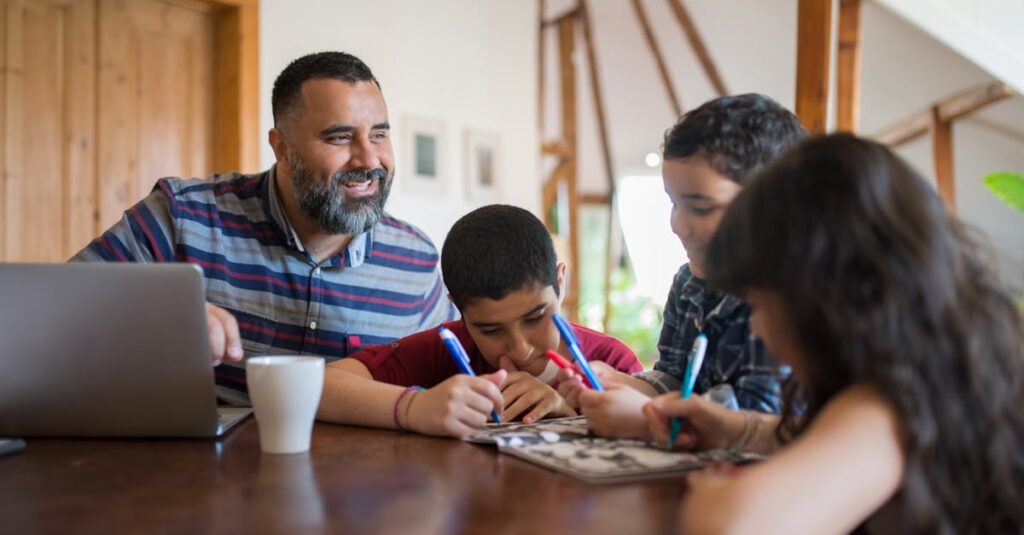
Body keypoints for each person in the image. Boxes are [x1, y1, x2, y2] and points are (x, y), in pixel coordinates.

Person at [644, 134, 1024, 533]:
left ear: (818, 300)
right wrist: (735, 429)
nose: (755, 325)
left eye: (759, 303)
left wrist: (710, 500)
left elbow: (730, 526)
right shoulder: (942, 376)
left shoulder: (886, 406)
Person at [71, 52, 456, 402]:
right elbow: (57, 309)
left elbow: (463, 365)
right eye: (340, 136)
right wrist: (155, 309)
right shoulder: (183, 216)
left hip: (355, 475)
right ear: (282, 147)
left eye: (379, 134)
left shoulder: (417, 263)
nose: (369, 158)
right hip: (197, 474)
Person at [560, 94, 806, 438]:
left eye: (701, 208)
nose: (677, 224)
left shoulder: (794, 297)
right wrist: (621, 384)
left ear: (774, 206)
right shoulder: (689, 284)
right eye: (674, 203)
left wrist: (646, 419)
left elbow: (760, 420)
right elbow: (675, 378)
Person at [317, 204, 642, 437]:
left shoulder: (612, 361)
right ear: (458, 307)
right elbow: (318, 387)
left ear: (561, 282)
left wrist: (566, 417)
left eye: (535, 317)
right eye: (490, 329)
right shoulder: (447, 347)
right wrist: (415, 407)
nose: (520, 350)